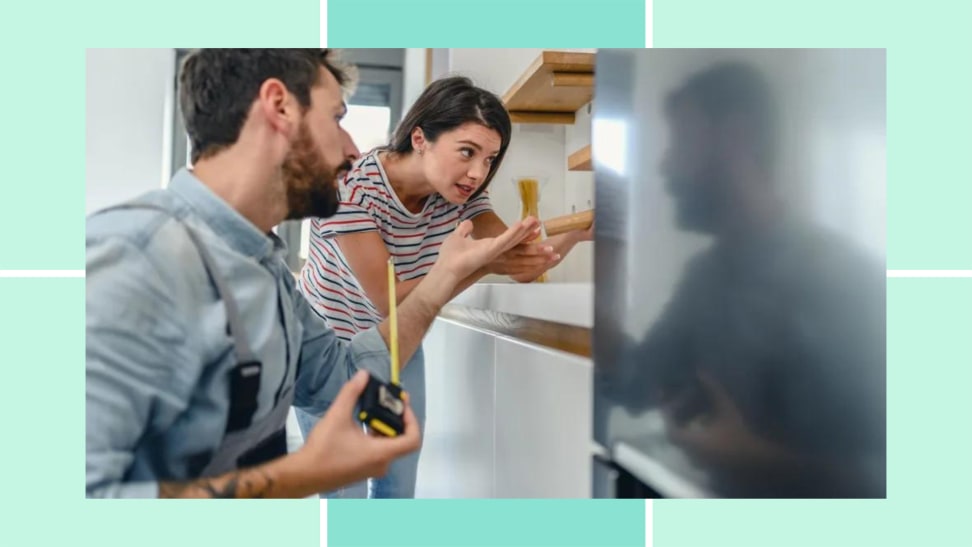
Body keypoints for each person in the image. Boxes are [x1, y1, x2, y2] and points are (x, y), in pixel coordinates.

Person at [85, 49, 543, 498]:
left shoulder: (270, 276)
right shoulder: (133, 255)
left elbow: (342, 376)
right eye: (337, 118)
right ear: (279, 107)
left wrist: (446, 276)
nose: (351, 150)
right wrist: (295, 478)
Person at [295, 76, 594, 498]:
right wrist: (477, 263)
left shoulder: (462, 193)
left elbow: (520, 262)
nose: (478, 173)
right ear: (420, 138)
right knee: (343, 493)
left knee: (397, 483)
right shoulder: (353, 188)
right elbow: (387, 301)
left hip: (400, 347)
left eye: (490, 159)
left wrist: (577, 232)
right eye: (467, 152)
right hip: (331, 348)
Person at [610, 62, 886, 497]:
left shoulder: (844, 282)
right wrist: (590, 305)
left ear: (735, 138)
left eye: (681, 141)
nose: (664, 165)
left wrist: (757, 459)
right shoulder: (705, 277)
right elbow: (640, 383)